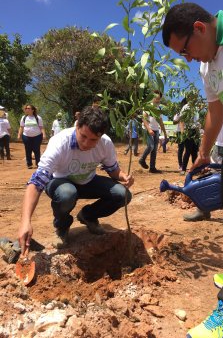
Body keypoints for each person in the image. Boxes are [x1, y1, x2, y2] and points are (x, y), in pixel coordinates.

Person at [163, 2, 223, 338]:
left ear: (200, 29)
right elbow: (215, 115)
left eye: (185, 49)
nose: (186, 58)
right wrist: (203, 152)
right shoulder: (207, 69)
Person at [18, 106, 134, 254]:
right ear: (77, 126)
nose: (86, 143)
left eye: (93, 140)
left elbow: (112, 170)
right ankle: (62, 226)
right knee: (67, 194)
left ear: (100, 136)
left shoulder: (105, 143)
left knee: (123, 194)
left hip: (88, 181)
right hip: (59, 182)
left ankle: (88, 216)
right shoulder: (59, 143)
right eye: (83, 136)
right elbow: (36, 182)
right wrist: (25, 221)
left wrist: (123, 176)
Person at [183, 108, 223, 222]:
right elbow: (213, 114)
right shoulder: (221, 94)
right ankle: (203, 210)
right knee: (209, 177)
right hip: (220, 144)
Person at [138, 90, 167, 173]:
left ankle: (152, 168)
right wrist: (149, 129)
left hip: (156, 130)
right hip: (148, 129)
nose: (157, 100)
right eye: (156, 98)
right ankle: (142, 160)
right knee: (151, 146)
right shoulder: (147, 106)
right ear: (152, 98)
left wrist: (165, 133)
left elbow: (160, 121)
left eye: (159, 99)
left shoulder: (159, 108)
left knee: (154, 150)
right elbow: (144, 118)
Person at [17, 104, 46, 169]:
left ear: (32, 110)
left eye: (29, 108)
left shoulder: (38, 118)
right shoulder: (24, 118)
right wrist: (19, 135)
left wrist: (44, 134)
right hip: (26, 136)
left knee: (36, 150)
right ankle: (29, 164)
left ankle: (38, 164)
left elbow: (41, 127)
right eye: (26, 108)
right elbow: (21, 127)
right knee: (28, 150)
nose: (27, 109)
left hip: (37, 136)